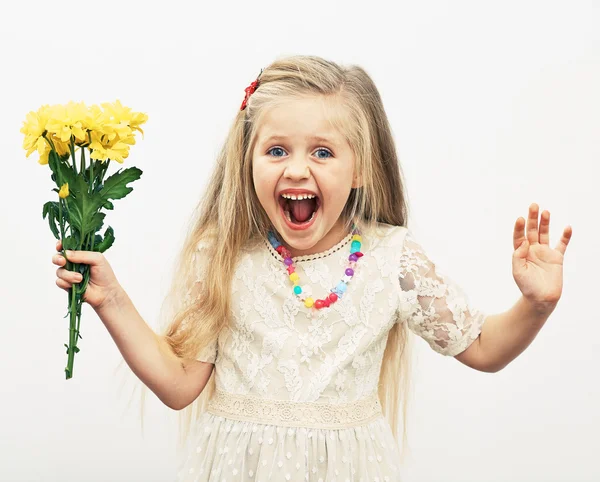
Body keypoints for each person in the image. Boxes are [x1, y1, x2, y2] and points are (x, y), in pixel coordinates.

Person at [51, 54, 572, 481]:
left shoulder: (389, 258)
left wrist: (535, 305)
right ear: (247, 161)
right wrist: (111, 299)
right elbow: (180, 382)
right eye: (276, 150)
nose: (297, 168)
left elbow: (481, 346)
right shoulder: (225, 254)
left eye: (322, 152)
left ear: (361, 168)